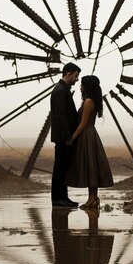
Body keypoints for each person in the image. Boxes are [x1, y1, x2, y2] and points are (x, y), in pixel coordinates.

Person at [66, 75, 114, 208]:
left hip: (86, 135)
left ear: (87, 87)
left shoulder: (88, 102)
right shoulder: (90, 101)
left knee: (90, 167)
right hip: (90, 135)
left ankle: (92, 199)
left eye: (82, 84)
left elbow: (83, 123)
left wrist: (72, 138)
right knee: (91, 167)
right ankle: (93, 199)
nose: (80, 86)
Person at [50, 62, 81, 207]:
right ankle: (58, 199)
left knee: (62, 168)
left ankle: (62, 198)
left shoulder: (62, 89)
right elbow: (60, 115)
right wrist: (68, 136)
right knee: (60, 168)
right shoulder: (61, 91)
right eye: (75, 76)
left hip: (62, 136)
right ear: (67, 74)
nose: (77, 79)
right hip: (63, 138)